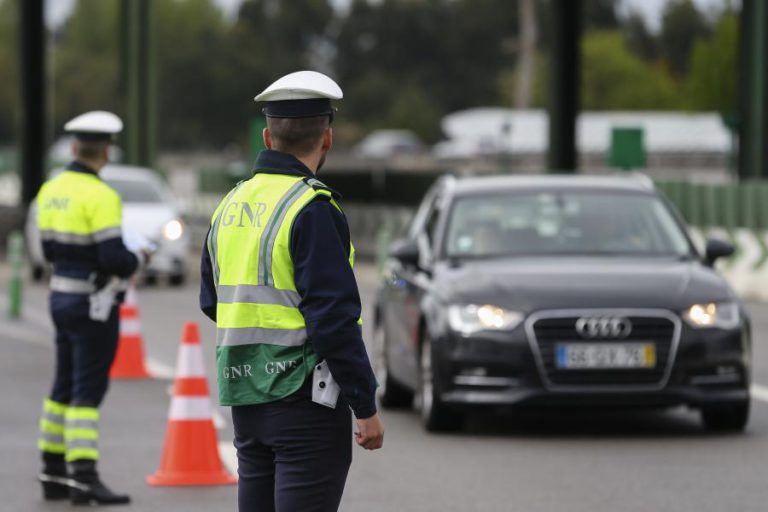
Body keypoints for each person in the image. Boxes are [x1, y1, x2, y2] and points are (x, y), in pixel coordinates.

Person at [200, 70, 384, 512]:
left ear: (267, 137)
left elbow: (212, 301)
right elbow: (334, 320)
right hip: (304, 404)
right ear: (327, 139)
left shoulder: (232, 203)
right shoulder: (312, 207)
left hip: (245, 397)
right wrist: (365, 404)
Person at [36, 111, 148, 506]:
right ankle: (84, 477)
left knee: (62, 384)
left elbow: (46, 249)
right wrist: (139, 258)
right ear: (106, 150)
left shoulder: (52, 188)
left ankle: (52, 471)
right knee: (88, 389)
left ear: (73, 147)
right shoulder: (101, 196)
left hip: (60, 296)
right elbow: (114, 259)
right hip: (92, 303)